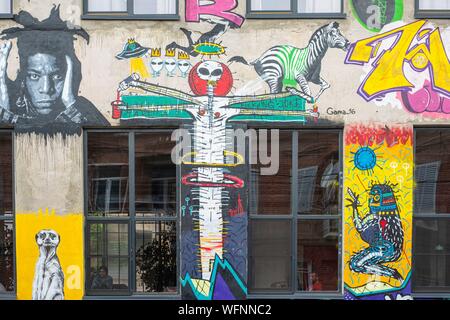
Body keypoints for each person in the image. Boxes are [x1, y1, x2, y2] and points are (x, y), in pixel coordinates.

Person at [0, 6, 109, 133]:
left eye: (57, 76)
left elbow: (108, 143)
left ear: (69, 74)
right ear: (23, 78)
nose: (46, 89)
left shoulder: (82, 108)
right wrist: (4, 101)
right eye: (35, 76)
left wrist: (70, 103)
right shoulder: (8, 107)